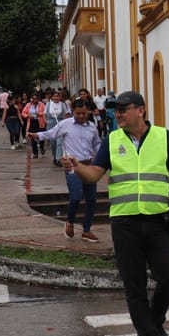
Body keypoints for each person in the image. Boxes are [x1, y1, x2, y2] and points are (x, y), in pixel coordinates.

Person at [65, 91, 169, 336]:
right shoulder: (112, 140)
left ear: (141, 110)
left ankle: (155, 320)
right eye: (116, 110)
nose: (118, 114)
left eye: (124, 109)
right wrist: (78, 166)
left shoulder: (164, 137)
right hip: (125, 223)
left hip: (158, 219)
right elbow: (94, 174)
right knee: (134, 284)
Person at [30, 99, 103, 242]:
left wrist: (103, 156)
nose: (81, 116)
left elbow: (97, 144)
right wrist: (37, 135)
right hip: (72, 167)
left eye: (84, 113)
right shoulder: (65, 124)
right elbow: (51, 133)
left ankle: (86, 230)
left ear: (88, 112)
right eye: (78, 113)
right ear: (72, 111)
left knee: (92, 199)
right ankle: (70, 221)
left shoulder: (92, 127)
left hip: (88, 166)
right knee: (76, 196)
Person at [45, 90, 72, 165]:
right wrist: (46, 122)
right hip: (51, 124)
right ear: (52, 97)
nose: (56, 98)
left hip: (60, 124)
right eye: (55, 96)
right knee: (53, 143)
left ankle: (58, 159)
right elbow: (45, 114)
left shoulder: (63, 104)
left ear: (60, 97)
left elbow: (68, 113)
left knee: (59, 142)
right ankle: (55, 156)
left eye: (58, 96)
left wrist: (65, 122)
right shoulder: (48, 104)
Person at [22, 93, 46, 158]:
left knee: (41, 136)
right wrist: (28, 115)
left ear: (38, 99)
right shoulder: (28, 105)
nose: (34, 100)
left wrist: (39, 113)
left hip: (40, 122)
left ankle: (41, 147)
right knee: (32, 137)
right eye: (33, 98)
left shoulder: (42, 104)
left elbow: (45, 112)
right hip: (32, 122)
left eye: (36, 98)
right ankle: (35, 153)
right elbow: (23, 113)